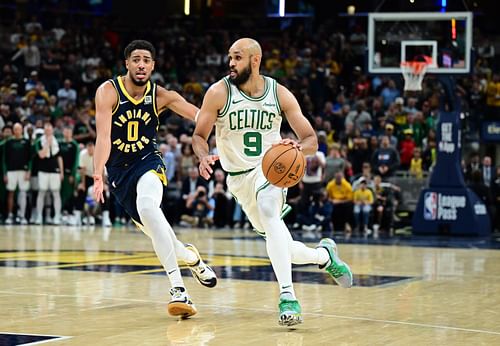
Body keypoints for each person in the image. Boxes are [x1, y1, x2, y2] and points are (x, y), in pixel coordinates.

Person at [192, 38, 352, 327]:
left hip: (272, 170)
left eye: (237, 57)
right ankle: (323, 256)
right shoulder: (218, 93)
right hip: (239, 179)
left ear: (255, 60)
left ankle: (287, 296)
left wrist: (296, 150)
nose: (231, 63)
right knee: (283, 245)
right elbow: (199, 136)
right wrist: (203, 156)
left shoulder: (279, 94)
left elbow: (311, 140)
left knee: (269, 209)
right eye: (229, 57)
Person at [92, 40, 217, 319]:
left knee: (149, 206)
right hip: (120, 174)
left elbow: (199, 116)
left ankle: (178, 289)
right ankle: (193, 259)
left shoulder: (162, 96)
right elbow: (102, 138)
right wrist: (97, 172)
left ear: (153, 66)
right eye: (136, 59)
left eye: (146, 60)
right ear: (126, 63)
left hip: (148, 162)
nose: (141, 65)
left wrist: (223, 125)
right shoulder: (108, 92)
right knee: (165, 240)